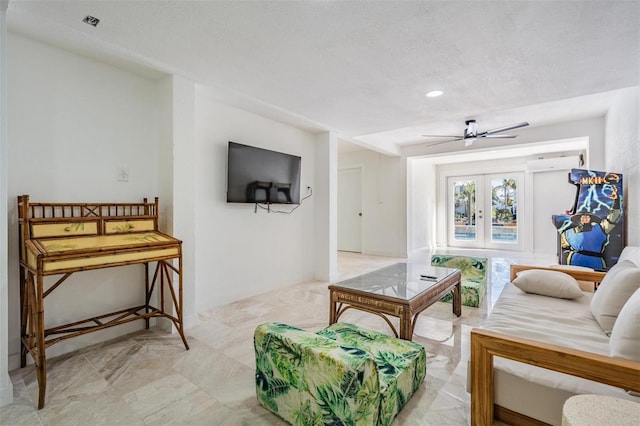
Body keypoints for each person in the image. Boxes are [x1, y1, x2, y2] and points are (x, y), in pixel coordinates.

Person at [559, 187, 621, 269]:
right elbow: (561, 249)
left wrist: (616, 201)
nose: (585, 218)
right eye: (583, 216)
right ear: (578, 219)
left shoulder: (601, 228)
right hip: (575, 263)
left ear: (591, 219)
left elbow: (613, 218)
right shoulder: (567, 234)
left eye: (587, 216)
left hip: (596, 263)